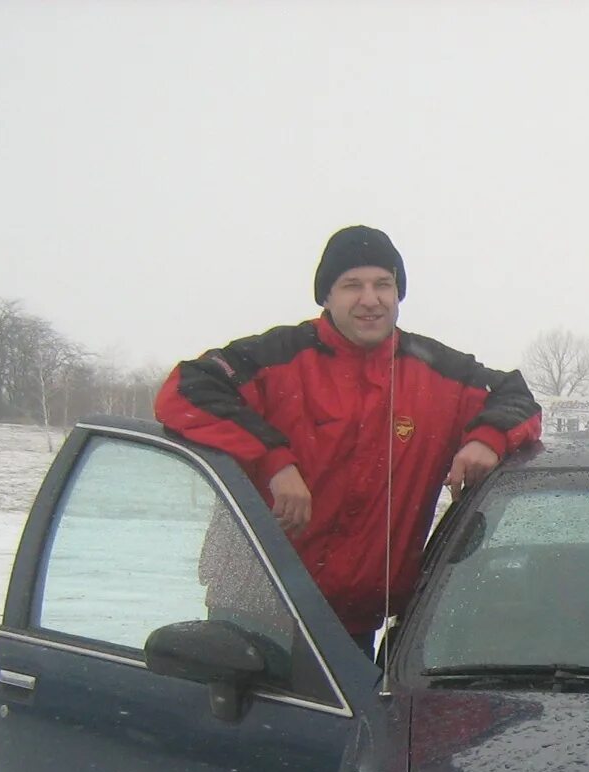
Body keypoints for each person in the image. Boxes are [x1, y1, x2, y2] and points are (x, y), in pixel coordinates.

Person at [155, 224, 543, 654]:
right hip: (251, 610)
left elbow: (515, 397)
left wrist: (486, 440)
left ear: (398, 294)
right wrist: (274, 463)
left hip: (353, 628)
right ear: (326, 296)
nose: (370, 299)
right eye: (351, 285)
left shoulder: (437, 375)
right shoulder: (276, 358)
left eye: (383, 284)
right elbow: (186, 391)